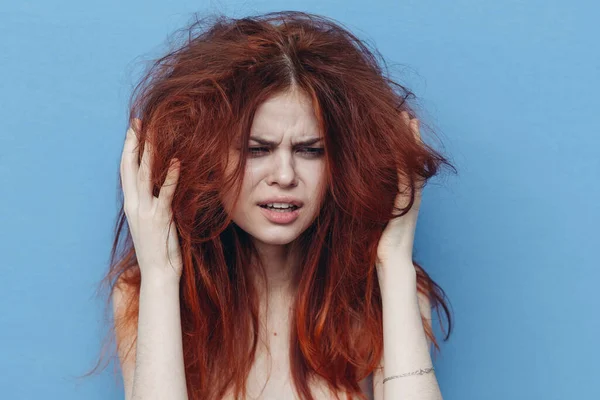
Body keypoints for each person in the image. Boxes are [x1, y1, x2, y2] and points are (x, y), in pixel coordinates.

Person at [97, 10, 455, 400]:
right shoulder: (143, 291)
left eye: (310, 150)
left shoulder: (382, 293)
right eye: (257, 150)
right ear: (205, 160)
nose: (284, 176)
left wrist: (396, 259)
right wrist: (161, 273)